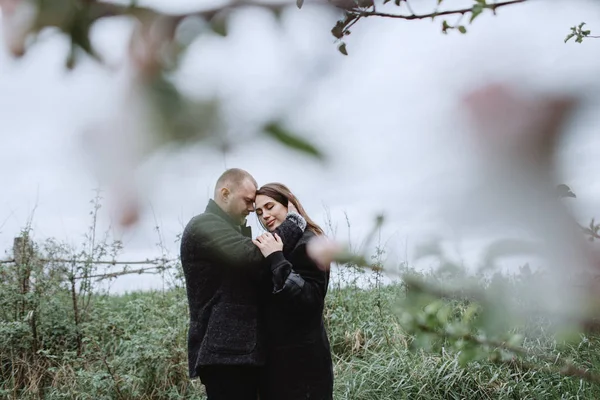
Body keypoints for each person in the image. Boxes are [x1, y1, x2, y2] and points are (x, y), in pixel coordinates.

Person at [180, 169, 307, 400]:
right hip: (224, 356)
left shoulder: (228, 229)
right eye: (248, 201)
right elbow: (251, 256)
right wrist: (295, 222)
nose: (251, 209)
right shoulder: (204, 225)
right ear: (225, 193)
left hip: (238, 354)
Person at [253, 183, 334, 400]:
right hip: (280, 362)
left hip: (303, 366)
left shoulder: (310, 242)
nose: (265, 216)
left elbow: (311, 299)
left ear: (289, 203)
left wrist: (276, 259)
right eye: (259, 212)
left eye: (270, 206)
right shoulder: (284, 243)